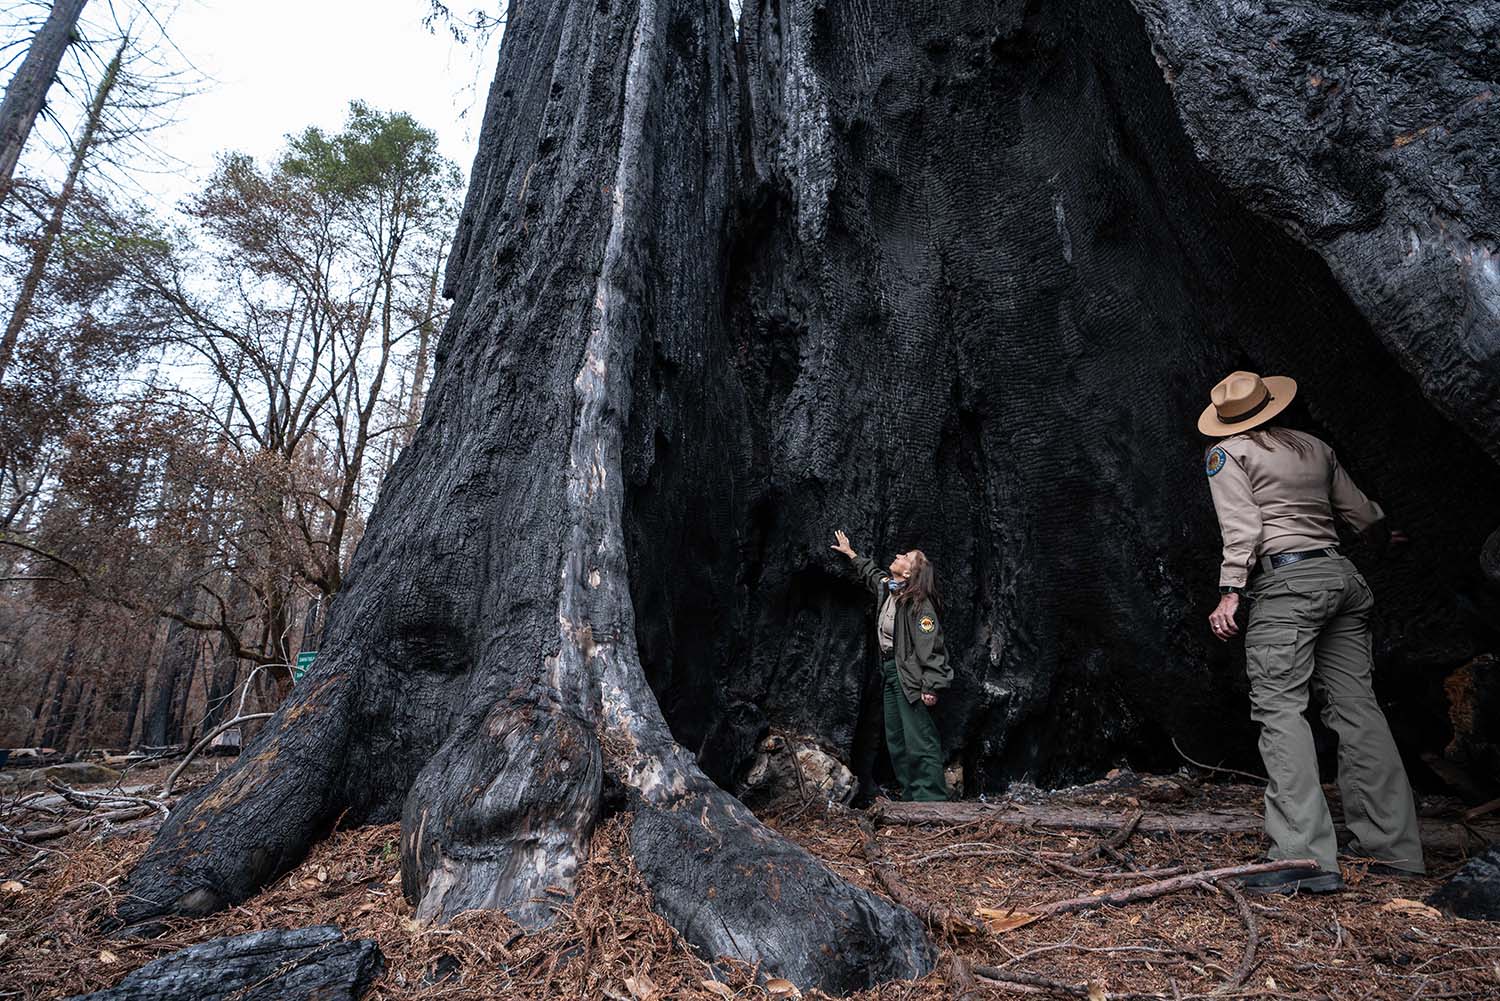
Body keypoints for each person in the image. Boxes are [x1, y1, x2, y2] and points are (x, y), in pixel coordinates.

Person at [1199, 371, 1424, 895]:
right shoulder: (1314, 447)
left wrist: (1231, 590)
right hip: (1341, 577)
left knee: (1280, 711)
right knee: (1357, 709)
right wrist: (1382, 535)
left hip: (1288, 584)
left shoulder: (1227, 453)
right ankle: (1395, 849)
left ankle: (1303, 857)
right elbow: (1361, 513)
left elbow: (1243, 526)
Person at [830, 530, 953, 802]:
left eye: (905, 556)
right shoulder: (890, 589)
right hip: (889, 672)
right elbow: (872, 574)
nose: (898, 555)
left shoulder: (920, 606)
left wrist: (931, 685)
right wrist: (850, 553)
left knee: (919, 737)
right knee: (897, 739)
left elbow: (932, 648)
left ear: (909, 573)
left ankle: (931, 798)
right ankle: (911, 796)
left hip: (911, 677)